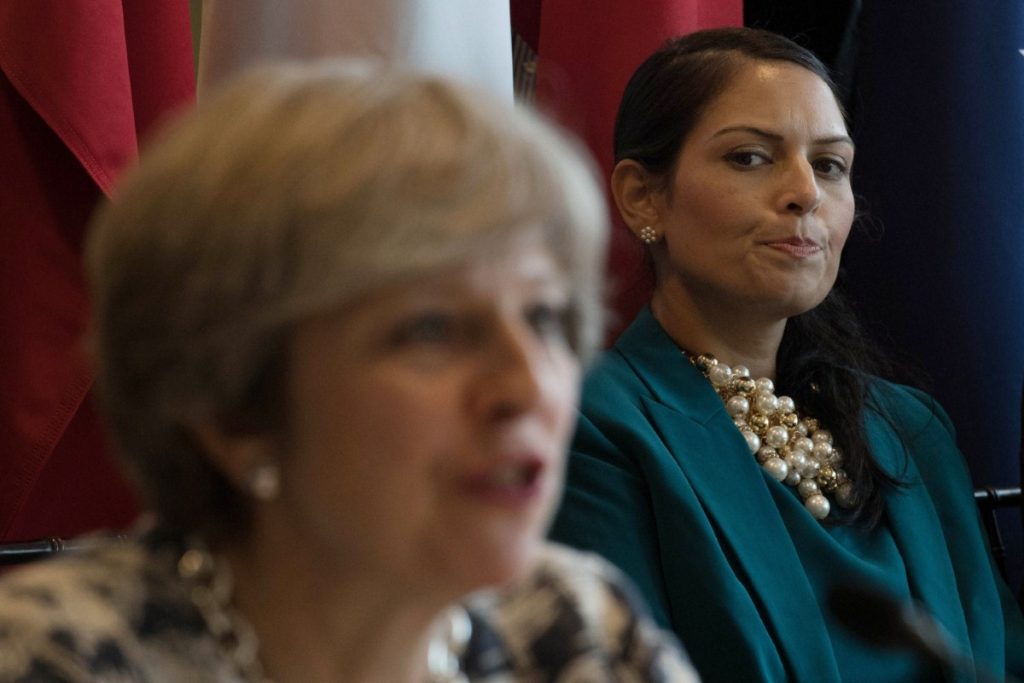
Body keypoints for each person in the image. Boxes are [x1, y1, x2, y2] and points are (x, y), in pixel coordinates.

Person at [0, 62, 698, 682]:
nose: (527, 388)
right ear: (235, 408)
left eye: (544, 319)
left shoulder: (574, 629)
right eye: (432, 329)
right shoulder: (53, 657)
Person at [549, 26, 1024, 683]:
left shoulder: (914, 429)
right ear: (642, 196)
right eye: (750, 157)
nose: (805, 191)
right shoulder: (588, 429)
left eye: (830, 164)